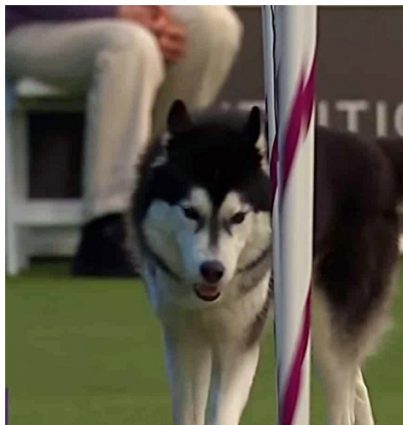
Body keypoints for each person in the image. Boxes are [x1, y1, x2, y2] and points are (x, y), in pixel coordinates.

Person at [6, 6, 243, 276]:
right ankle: (110, 228)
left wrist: (157, 17)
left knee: (214, 26)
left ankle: (165, 194)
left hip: (128, 19)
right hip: (26, 23)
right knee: (131, 44)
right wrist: (114, 10)